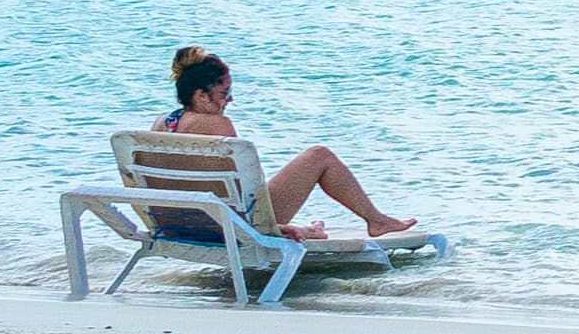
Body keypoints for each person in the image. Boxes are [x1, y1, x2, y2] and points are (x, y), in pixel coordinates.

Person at [152, 46, 422, 240]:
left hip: (177, 225)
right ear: (201, 95)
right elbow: (240, 194)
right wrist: (276, 228)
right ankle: (377, 221)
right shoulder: (216, 126)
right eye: (225, 93)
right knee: (320, 156)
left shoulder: (163, 124)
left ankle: (314, 229)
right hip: (224, 228)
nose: (230, 100)